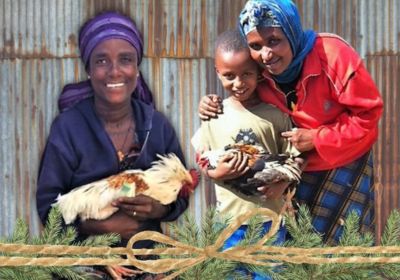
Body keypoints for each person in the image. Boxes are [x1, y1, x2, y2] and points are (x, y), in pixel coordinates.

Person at [198, 0, 383, 245]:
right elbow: (239, 101)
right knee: (299, 255)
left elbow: (368, 115)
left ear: (291, 31)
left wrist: (317, 137)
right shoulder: (259, 71)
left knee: (345, 254)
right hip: (290, 172)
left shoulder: (332, 55)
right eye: (255, 45)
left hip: (344, 166)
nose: (266, 54)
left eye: (274, 40)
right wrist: (211, 104)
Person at [36, 11, 188, 279]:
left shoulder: (157, 125)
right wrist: (100, 226)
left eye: (126, 60)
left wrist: (160, 209)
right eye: (102, 60)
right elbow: (48, 207)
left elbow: (182, 190)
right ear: (89, 69)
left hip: (145, 260)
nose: (115, 71)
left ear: (137, 67)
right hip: (86, 262)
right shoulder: (69, 127)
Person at [192, 29, 301, 279]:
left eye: (247, 74)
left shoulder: (275, 115)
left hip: (269, 221)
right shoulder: (213, 114)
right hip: (228, 223)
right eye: (229, 76)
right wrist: (215, 172)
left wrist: (283, 182)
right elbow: (202, 158)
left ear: (259, 73)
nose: (239, 83)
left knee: (269, 274)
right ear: (218, 73)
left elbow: (294, 158)